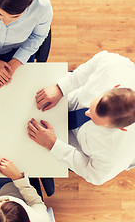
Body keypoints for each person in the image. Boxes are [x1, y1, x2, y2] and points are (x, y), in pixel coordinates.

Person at [27, 50, 135, 185]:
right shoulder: (112, 66)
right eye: (91, 106)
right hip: (67, 101)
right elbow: (93, 64)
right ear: (114, 87)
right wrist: (61, 88)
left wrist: (54, 145)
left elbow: (92, 174)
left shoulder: (116, 154)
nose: (87, 113)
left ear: (122, 129)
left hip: (73, 144)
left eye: (96, 121)